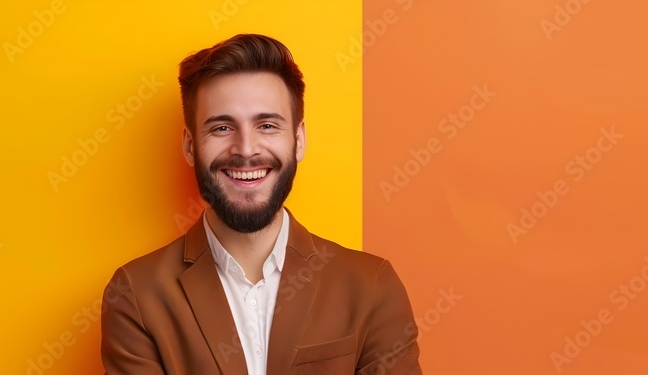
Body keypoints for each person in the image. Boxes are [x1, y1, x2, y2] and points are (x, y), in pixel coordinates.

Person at [101, 34, 422, 375]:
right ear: (191, 146)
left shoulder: (372, 286)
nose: (246, 149)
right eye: (222, 127)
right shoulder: (135, 295)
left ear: (298, 141)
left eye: (267, 125)